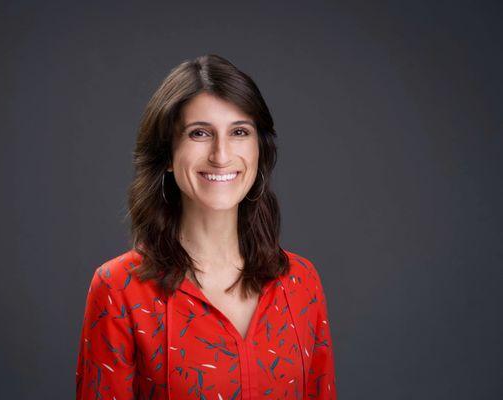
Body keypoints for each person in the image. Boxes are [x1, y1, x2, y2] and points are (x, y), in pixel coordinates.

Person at [75, 54, 337, 399]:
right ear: (168, 154)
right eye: (199, 133)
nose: (221, 154)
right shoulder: (119, 290)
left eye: (240, 132)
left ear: (260, 151)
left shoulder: (302, 282)